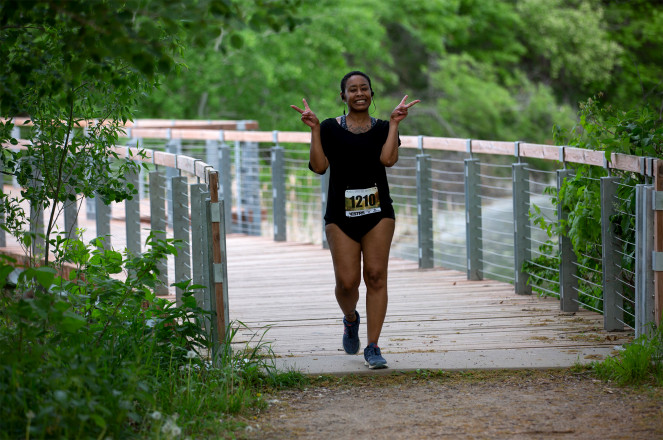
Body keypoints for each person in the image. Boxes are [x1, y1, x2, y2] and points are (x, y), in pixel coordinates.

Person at [291, 71, 419, 369]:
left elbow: (388, 160)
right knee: (347, 283)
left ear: (371, 94)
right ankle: (350, 318)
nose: (359, 93)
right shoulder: (329, 129)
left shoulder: (385, 128)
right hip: (340, 215)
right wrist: (313, 130)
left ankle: (373, 347)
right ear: (343, 96)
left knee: (375, 276)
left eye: (364, 88)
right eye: (352, 89)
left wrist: (396, 123)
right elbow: (319, 167)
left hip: (378, 213)